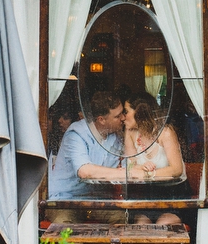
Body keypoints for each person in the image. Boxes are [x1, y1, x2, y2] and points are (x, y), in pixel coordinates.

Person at [48, 91, 149, 222]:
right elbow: (85, 171)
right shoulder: (76, 134)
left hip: (95, 200)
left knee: (121, 219)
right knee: (64, 229)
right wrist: (128, 173)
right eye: (118, 116)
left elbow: (128, 166)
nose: (123, 118)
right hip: (64, 200)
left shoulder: (116, 135)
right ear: (101, 119)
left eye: (123, 113)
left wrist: (141, 168)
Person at [122, 91, 185, 225]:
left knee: (162, 226)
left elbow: (176, 169)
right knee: (141, 225)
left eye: (126, 111)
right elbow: (129, 166)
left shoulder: (165, 132)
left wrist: (148, 174)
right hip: (146, 195)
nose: (123, 117)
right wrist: (140, 167)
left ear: (139, 112)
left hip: (174, 195)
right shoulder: (130, 132)